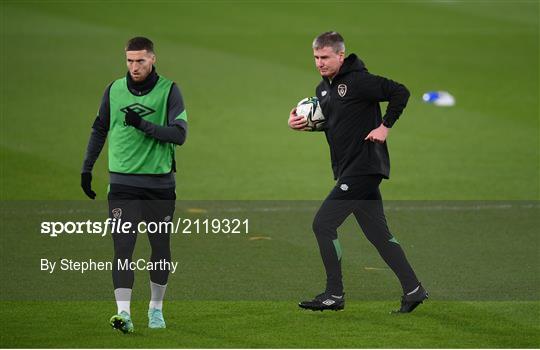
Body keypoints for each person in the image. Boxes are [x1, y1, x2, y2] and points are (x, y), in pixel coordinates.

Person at [289, 31, 427, 313]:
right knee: (379, 234)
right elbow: (335, 123)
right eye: (316, 57)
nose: (319, 62)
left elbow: (400, 92)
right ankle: (414, 290)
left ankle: (334, 294)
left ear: (341, 55)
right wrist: (305, 125)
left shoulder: (360, 81)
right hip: (349, 170)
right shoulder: (323, 89)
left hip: (364, 168)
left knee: (323, 224)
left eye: (325, 57)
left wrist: (384, 126)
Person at [81, 37, 188, 332]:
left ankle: (156, 309)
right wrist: (87, 168)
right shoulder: (114, 90)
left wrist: (143, 125)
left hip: (159, 185)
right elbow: (99, 128)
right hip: (122, 184)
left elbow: (179, 135)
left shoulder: (169, 91)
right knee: (123, 248)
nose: (134, 66)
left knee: (160, 247)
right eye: (129, 60)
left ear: (152, 59)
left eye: (140, 60)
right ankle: (124, 314)